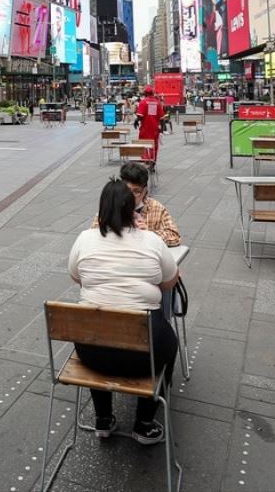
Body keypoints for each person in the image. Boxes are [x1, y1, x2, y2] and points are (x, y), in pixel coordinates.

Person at [68, 178, 180, 444]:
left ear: (102, 208)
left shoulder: (85, 238)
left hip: (91, 352)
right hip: (145, 355)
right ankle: (143, 423)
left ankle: (103, 418)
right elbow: (169, 282)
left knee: (98, 331)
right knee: (169, 344)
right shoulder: (151, 240)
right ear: (133, 208)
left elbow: (76, 277)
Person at [93, 162, 180, 247]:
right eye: (127, 190)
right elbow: (94, 234)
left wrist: (149, 235)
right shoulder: (112, 206)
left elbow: (174, 236)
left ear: (145, 190)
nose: (130, 196)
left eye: (136, 191)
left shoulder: (156, 207)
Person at [134, 86, 163, 168]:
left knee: (144, 145)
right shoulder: (158, 103)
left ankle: (146, 161)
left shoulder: (143, 102)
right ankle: (153, 162)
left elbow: (140, 116)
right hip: (155, 130)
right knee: (154, 147)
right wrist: (162, 129)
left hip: (145, 129)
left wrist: (136, 121)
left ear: (145, 93)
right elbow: (162, 118)